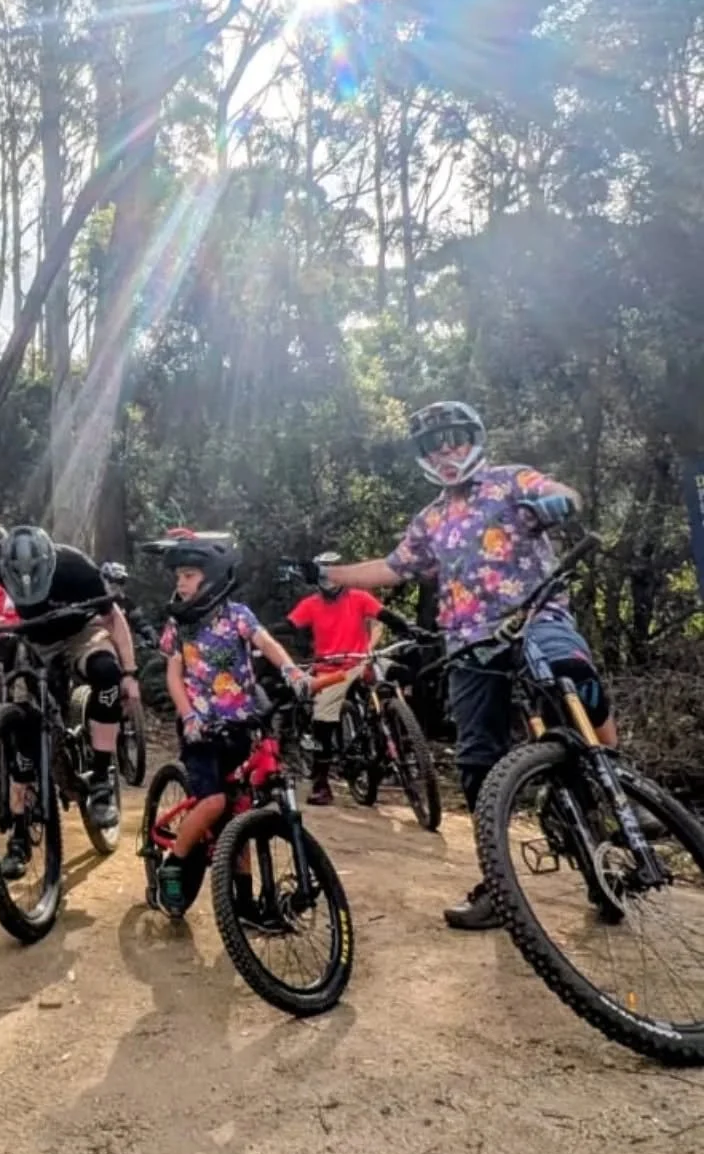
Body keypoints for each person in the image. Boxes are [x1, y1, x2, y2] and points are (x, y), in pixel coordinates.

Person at [316, 399, 616, 931]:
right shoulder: (429, 519)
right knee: (478, 764)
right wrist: (333, 574)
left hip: (535, 617)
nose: (447, 450)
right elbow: (392, 567)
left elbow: (558, 492)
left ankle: (617, 787)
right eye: (435, 444)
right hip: (470, 645)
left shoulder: (508, 481)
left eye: (455, 438)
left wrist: (562, 499)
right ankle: (498, 886)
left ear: (473, 437)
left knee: (574, 677)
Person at [0, 525, 135, 856]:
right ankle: (20, 827)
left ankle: (100, 780)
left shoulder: (75, 565)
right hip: (32, 638)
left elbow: (113, 617)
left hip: (81, 633)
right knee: (22, 718)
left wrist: (130, 673)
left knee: (106, 673)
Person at [154, 537, 310, 920]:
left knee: (240, 811)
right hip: (200, 731)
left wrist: (291, 671)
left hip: (239, 725)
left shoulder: (237, 614)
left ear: (213, 579)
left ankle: (243, 902)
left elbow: (266, 642)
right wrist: (188, 716)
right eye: (179, 576)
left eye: (189, 575)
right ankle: (173, 864)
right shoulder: (179, 625)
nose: (182, 583)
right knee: (214, 802)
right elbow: (174, 675)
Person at [287, 552, 383, 805]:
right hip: (330, 670)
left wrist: (368, 651)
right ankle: (321, 783)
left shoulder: (360, 598)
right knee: (323, 719)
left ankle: (396, 736)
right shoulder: (311, 604)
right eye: (324, 572)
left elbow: (380, 622)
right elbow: (290, 625)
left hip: (359, 661)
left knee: (391, 679)